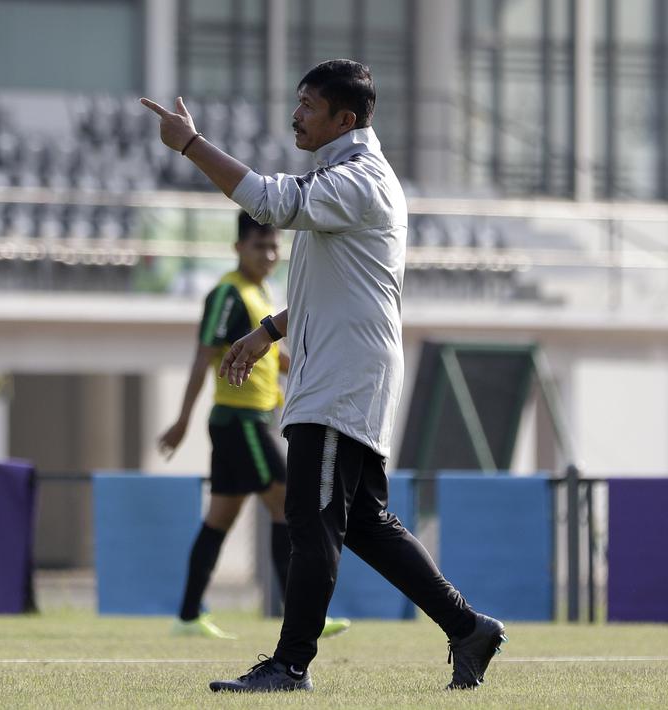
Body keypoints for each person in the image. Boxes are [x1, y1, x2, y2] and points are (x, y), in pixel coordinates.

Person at [141, 59, 506, 692]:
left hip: (342, 380)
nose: (296, 114)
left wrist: (192, 146)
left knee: (310, 522)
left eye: (309, 105)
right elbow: (337, 288)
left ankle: (289, 666)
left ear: (347, 119)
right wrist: (270, 331)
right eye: (298, 102)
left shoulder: (361, 179)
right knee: (363, 523)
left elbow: (268, 201)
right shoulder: (345, 176)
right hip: (341, 372)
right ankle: (468, 626)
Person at [158, 212, 349, 641]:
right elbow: (204, 354)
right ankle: (301, 619)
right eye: (259, 245)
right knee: (287, 506)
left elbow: (268, 357)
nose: (269, 254)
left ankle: (187, 616)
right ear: (238, 247)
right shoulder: (228, 293)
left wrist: (308, 368)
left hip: (249, 420)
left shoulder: (262, 293)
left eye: (274, 245)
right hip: (242, 419)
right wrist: (183, 419)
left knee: (219, 518)